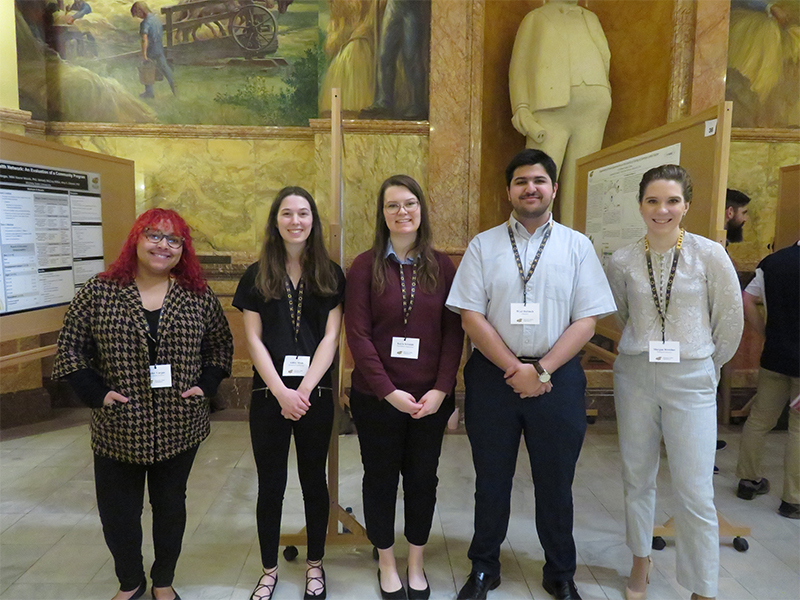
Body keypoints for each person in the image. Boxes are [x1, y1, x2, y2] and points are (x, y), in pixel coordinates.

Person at [446, 149, 616, 600]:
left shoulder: (577, 246)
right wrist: (514, 368)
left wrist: (540, 369)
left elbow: (587, 321)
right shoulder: (483, 245)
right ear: (509, 191)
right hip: (493, 378)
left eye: (539, 180)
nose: (530, 188)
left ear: (554, 189)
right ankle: (484, 566)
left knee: (556, 481)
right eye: (521, 181)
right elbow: (470, 315)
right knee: (491, 480)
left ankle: (560, 571)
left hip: (557, 377)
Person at [53, 208, 234, 600]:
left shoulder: (196, 295)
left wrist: (206, 385)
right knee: (119, 513)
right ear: (136, 239)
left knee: (170, 508)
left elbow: (220, 345)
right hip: (119, 424)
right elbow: (69, 350)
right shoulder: (99, 291)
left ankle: (163, 581)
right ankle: (130, 582)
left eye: (173, 240)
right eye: (154, 235)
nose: (162, 245)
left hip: (179, 423)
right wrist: (97, 395)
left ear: (182, 250)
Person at [607, 165, 744, 600]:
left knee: (694, 486)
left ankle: (702, 586)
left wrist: (704, 365)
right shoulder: (623, 259)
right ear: (640, 205)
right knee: (636, 476)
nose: (661, 210)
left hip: (691, 377)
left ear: (686, 204)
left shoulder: (709, 255)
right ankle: (640, 565)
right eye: (652, 201)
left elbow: (730, 322)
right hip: (636, 375)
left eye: (671, 201)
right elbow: (622, 316)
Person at [345, 175, 464, 600]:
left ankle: (415, 560)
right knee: (379, 480)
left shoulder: (442, 265)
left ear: (421, 210)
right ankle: (387, 561)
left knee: (421, 480)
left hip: (429, 400)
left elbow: (454, 334)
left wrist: (442, 390)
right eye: (393, 205)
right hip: (378, 398)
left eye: (410, 203)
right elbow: (357, 335)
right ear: (382, 214)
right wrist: (387, 391)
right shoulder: (364, 265)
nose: (402, 212)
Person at [233, 187, 345, 600]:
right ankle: (268, 569)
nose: (295, 221)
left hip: (314, 396)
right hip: (269, 396)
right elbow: (253, 340)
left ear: (313, 221)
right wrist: (281, 392)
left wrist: (304, 390)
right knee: (271, 484)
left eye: (303, 213)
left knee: (314, 481)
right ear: (275, 220)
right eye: (287, 213)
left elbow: (332, 337)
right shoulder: (256, 275)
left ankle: (315, 565)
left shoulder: (330, 274)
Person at [509, 0, 611, 228]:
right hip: (548, 107)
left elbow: (605, 57)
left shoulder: (590, 18)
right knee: (538, 179)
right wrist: (521, 106)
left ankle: (578, 246)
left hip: (594, 105)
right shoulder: (535, 18)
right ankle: (532, 243)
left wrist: (604, 92)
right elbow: (520, 65)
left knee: (583, 182)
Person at [735, 240, 800, 519]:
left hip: (774, 355)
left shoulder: (773, 262)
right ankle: (793, 499)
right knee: (798, 430)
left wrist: (765, 333)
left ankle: (748, 481)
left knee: (760, 419)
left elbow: (747, 299)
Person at [130, 1, 176, 98]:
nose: (138, 17)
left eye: (136, 14)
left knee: (147, 69)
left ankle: (149, 92)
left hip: (151, 50)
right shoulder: (156, 19)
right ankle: (175, 87)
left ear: (140, 11)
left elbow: (144, 40)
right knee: (165, 68)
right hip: (159, 48)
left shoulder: (145, 23)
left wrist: (144, 55)